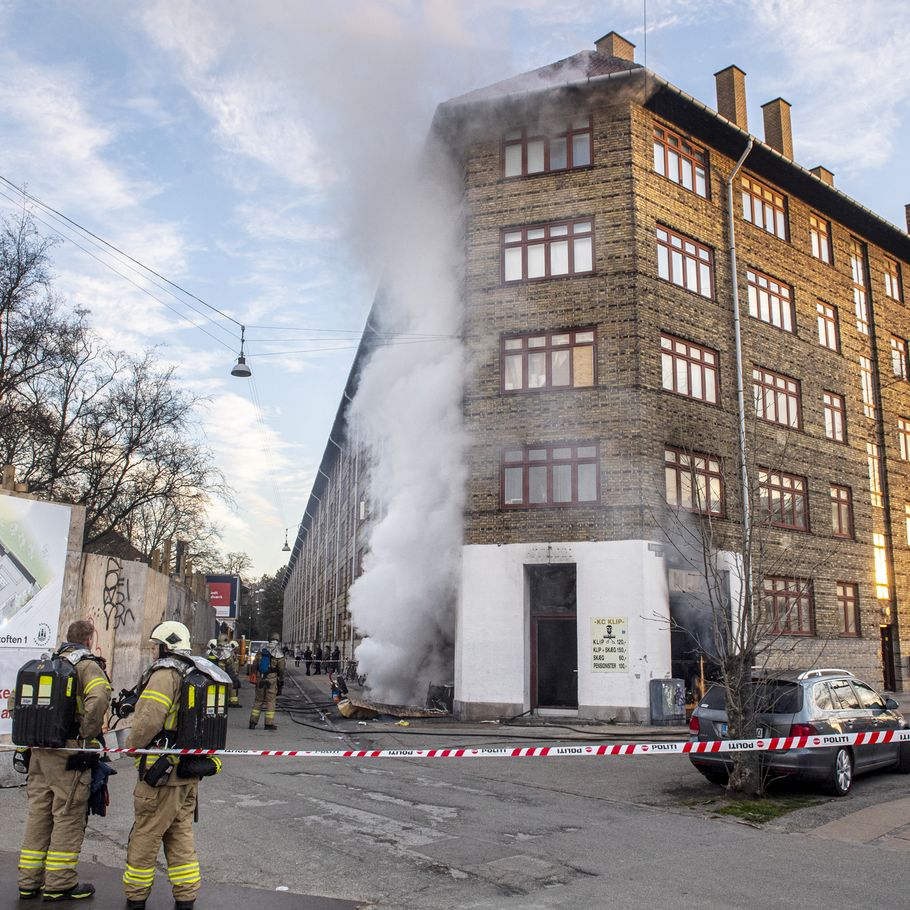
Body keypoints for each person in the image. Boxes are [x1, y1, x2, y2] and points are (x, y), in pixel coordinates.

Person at [122, 621, 225, 910]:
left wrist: (132, 747)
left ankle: (136, 897)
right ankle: (186, 897)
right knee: (180, 833)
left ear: (167, 645)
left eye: (156, 645)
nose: (153, 651)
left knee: (146, 833)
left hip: (160, 774)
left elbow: (150, 718)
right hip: (186, 770)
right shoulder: (197, 671)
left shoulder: (166, 672)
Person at [16, 619, 112, 902]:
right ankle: (59, 883)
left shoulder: (46, 665)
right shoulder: (86, 665)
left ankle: (28, 881)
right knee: (67, 816)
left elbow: (19, 704)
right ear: (88, 640)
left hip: (39, 753)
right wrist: (85, 734)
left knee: (39, 815)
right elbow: (99, 698)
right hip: (69, 754)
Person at [248, 636, 285, 730]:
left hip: (260, 678)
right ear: (278, 641)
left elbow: (254, 664)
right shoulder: (278, 652)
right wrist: (281, 679)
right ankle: (268, 724)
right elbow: (281, 669)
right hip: (271, 679)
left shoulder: (261, 650)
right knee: (270, 701)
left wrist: (254, 675)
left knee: (258, 701)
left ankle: (252, 723)